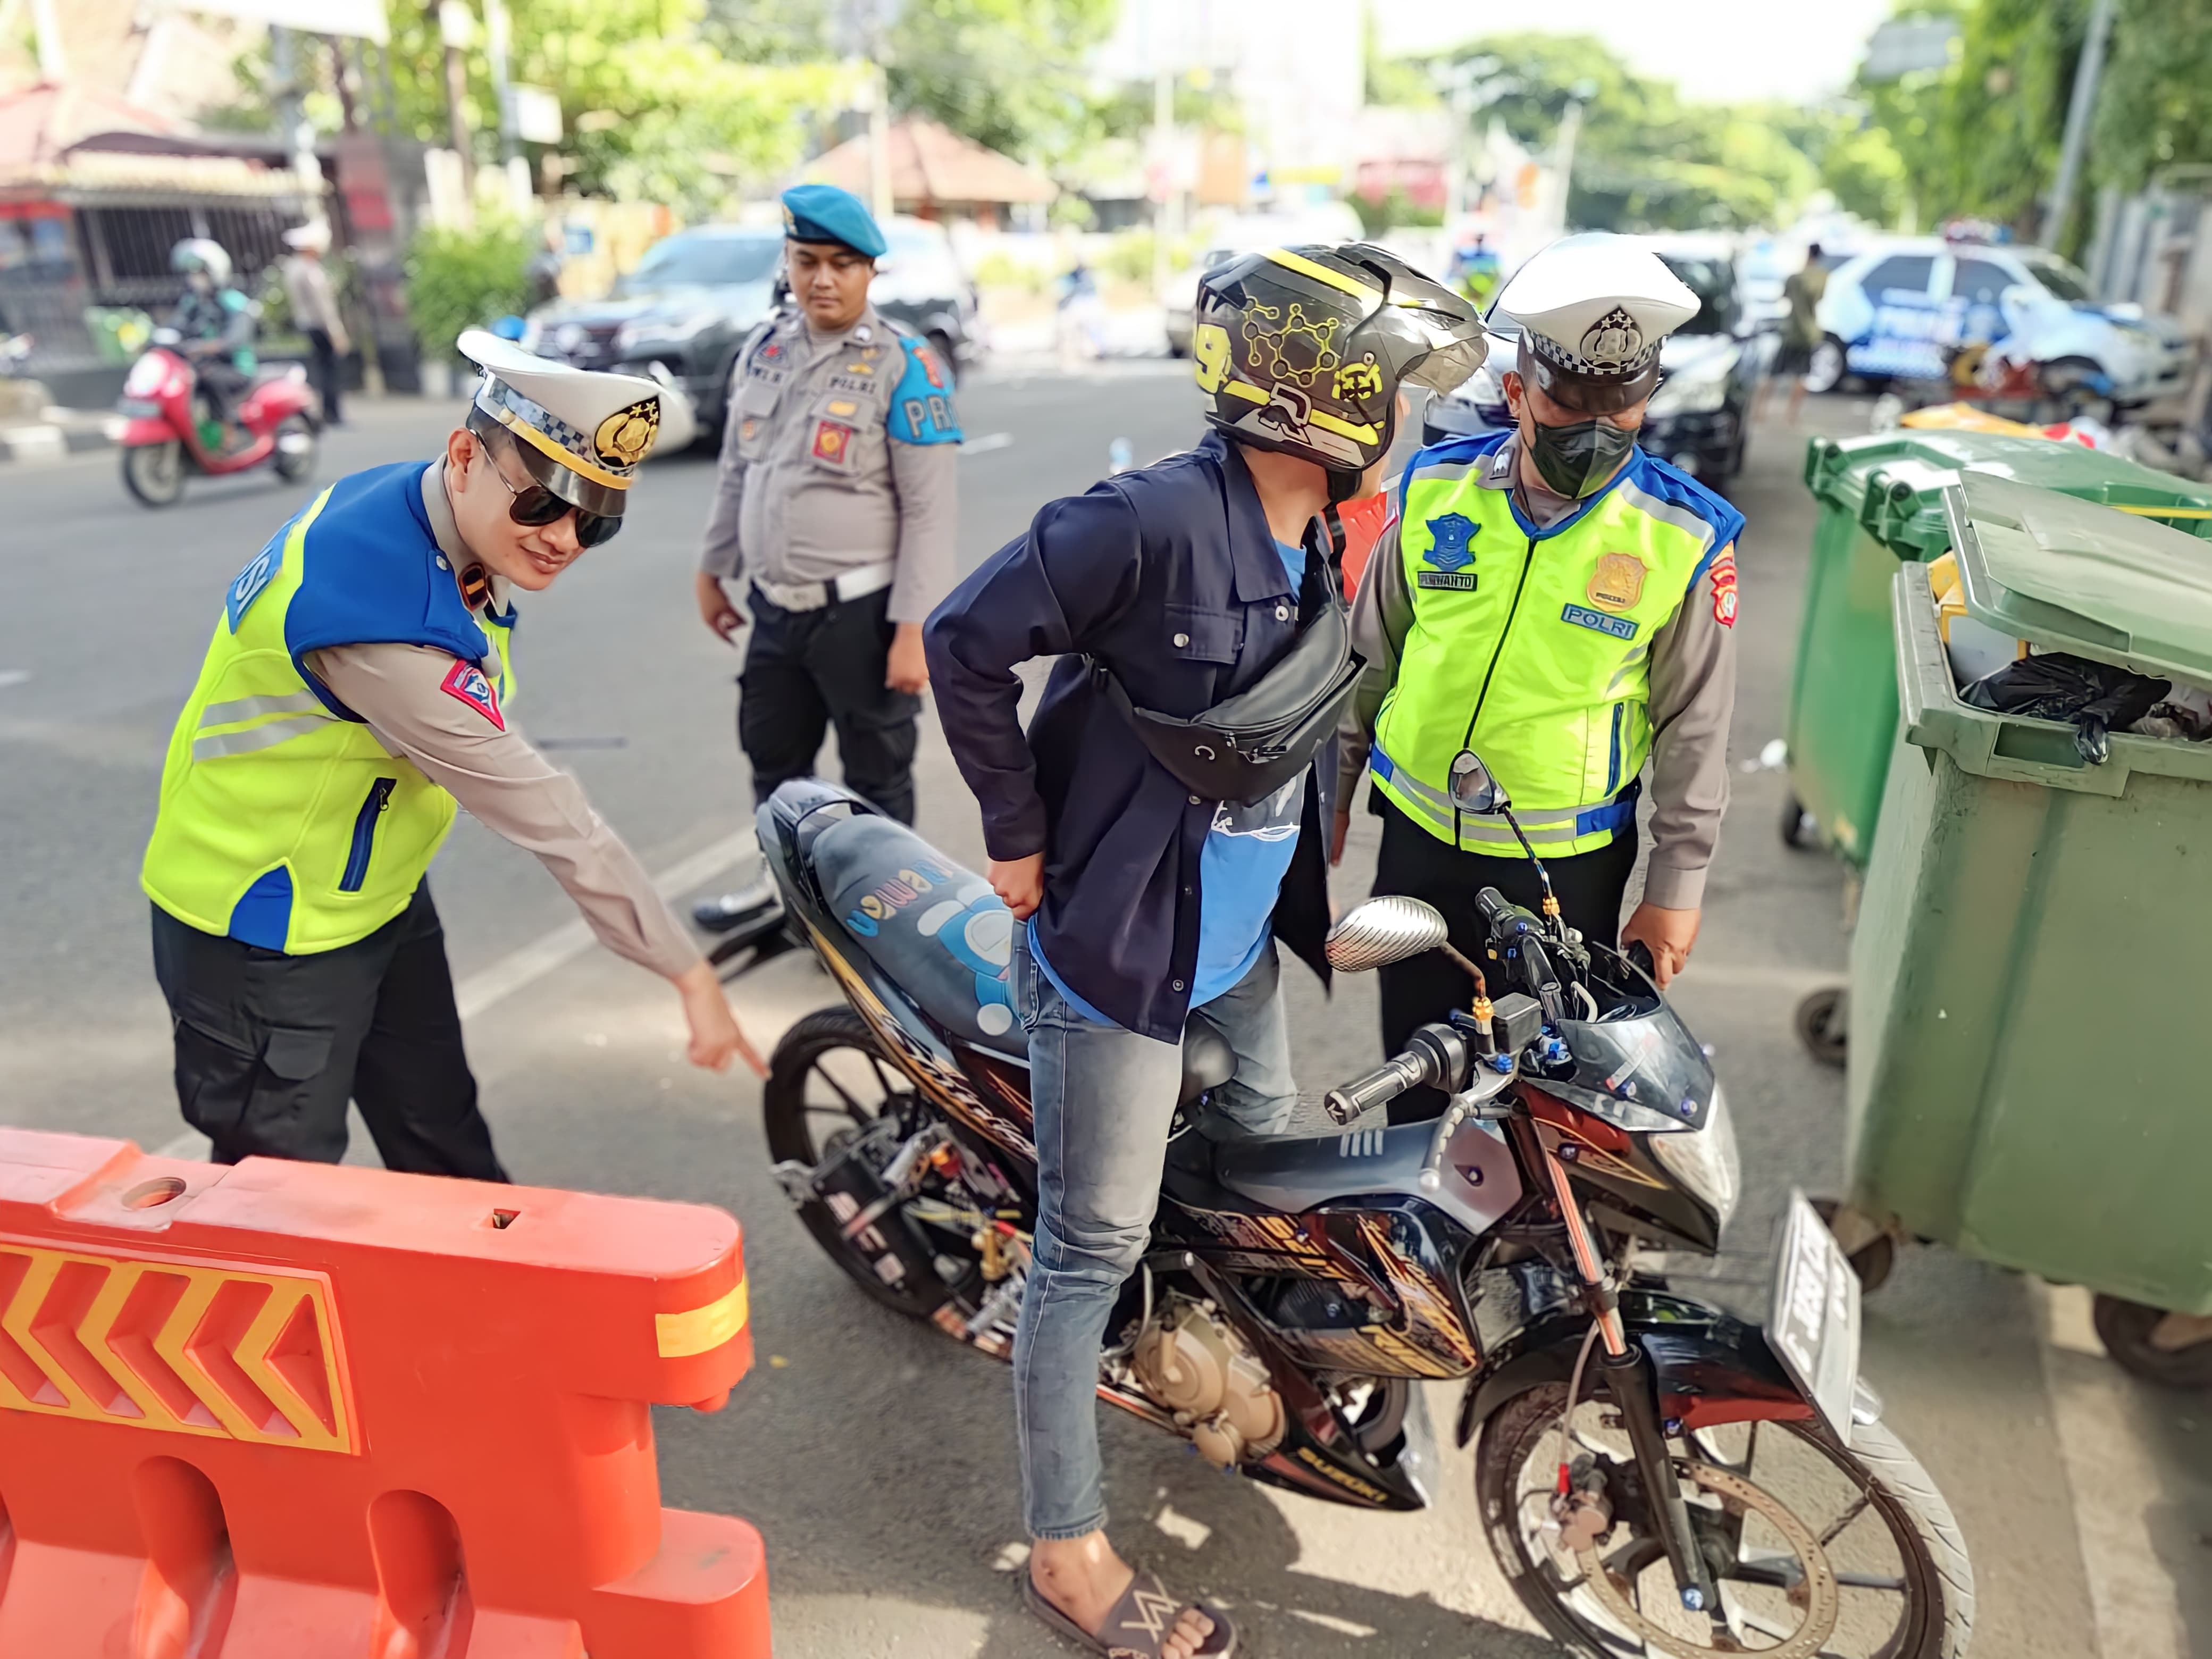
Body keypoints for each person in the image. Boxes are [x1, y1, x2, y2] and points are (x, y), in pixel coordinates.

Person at [928, 244, 1484, 1659]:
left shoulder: (1307, 532)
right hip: (1124, 943)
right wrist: (1012, 828)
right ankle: (1065, 1550)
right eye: (1392, 385)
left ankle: (1199, 1354)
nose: (1407, 412)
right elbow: (962, 641)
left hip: (1232, 933)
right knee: (1085, 1248)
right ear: (1322, 393)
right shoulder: (1147, 521)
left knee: (1254, 1150)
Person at [141, 330, 763, 1175]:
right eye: (542, 501)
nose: (563, 539)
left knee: (445, 1145)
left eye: (596, 520)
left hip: (373, 897)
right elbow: (551, 818)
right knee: (274, 1200)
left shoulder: (415, 509)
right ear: (464, 453)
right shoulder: (381, 625)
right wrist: (687, 974)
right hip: (265, 931)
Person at [1337, 233, 1743, 1121]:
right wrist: (1333, 794)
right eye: (1570, 401)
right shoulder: (1435, 491)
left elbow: (1696, 732)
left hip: (1562, 869)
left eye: (1622, 402)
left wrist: (1675, 892)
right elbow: (1371, 655)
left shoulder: (1682, 535)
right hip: (1415, 843)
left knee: (1542, 1091)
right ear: (1518, 390)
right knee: (1416, 1071)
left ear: (1650, 398)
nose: (1598, 424)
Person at [691, 184, 961, 929]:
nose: (823, 279)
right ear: (788, 261)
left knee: (877, 777)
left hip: (864, 616)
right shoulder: (765, 350)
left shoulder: (907, 365)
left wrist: (914, 630)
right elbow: (738, 471)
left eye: (843, 264)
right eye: (807, 260)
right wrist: (713, 568)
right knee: (775, 765)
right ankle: (792, 906)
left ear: (871, 273)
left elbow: (931, 511)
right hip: (778, 608)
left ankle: (889, 930)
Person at [169, 238, 255, 445]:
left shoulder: (234, 302)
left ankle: (229, 434)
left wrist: (206, 347)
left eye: (200, 273)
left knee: (212, 380)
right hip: (203, 364)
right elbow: (175, 326)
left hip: (236, 369)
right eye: (192, 273)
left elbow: (235, 339)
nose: (195, 278)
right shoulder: (193, 302)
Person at [280, 221, 351, 428]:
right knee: (330, 370)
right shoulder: (310, 270)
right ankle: (332, 414)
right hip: (320, 326)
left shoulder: (292, 268)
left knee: (321, 368)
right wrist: (336, 332)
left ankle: (326, 413)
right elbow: (323, 305)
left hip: (307, 325)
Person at [1757, 241, 1828, 424]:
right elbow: (1820, 299)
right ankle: (1791, 416)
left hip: (1793, 332)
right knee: (1802, 376)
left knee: (1773, 373)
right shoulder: (1823, 277)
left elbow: (1784, 297)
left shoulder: (1795, 278)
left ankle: (1760, 411)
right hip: (1812, 332)